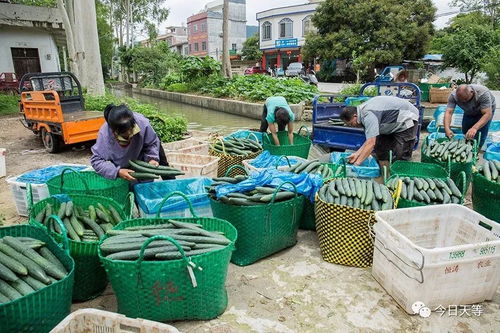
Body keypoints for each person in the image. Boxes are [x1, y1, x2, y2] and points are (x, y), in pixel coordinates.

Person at [90, 104, 169, 181]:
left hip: (142, 159)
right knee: (130, 186)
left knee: (159, 175)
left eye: (131, 132)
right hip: (122, 167)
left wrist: (152, 158)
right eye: (125, 136)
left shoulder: (142, 123)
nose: (130, 136)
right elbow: (96, 161)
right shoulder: (105, 135)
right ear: (114, 131)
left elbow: (152, 143)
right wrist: (117, 172)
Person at [339, 96, 420, 165]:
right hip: (389, 121)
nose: (352, 126)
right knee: (381, 149)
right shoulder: (361, 114)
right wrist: (357, 154)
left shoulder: (368, 115)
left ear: (355, 116)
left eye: (351, 124)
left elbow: (371, 144)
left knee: (401, 154)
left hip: (407, 118)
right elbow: (369, 141)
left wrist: (357, 164)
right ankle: (385, 174)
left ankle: (400, 179)